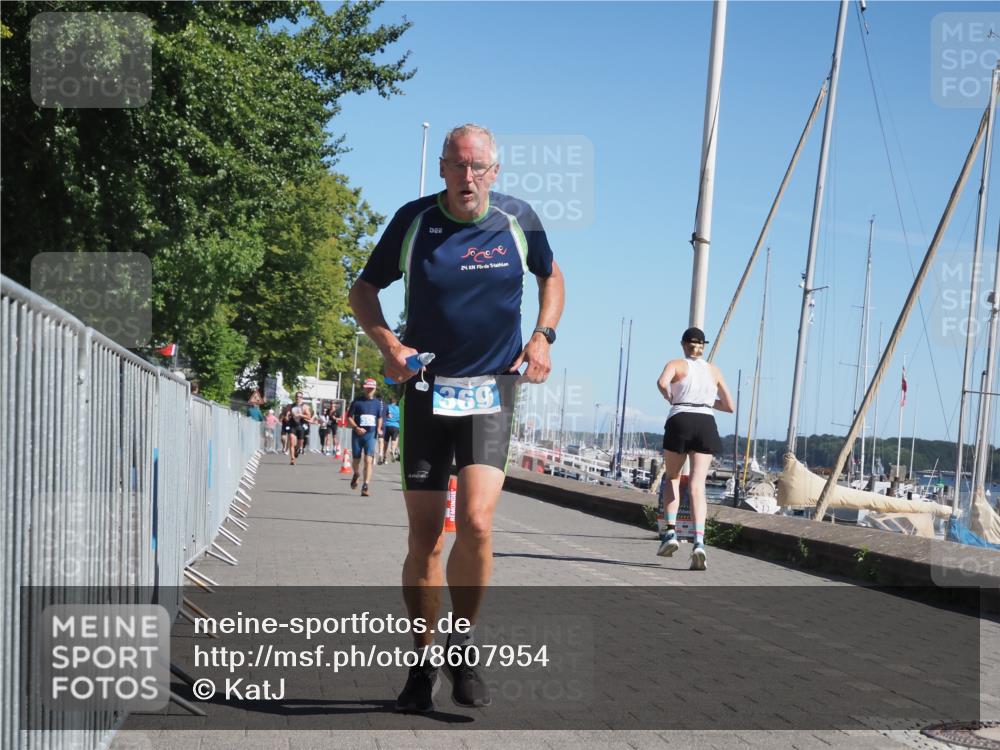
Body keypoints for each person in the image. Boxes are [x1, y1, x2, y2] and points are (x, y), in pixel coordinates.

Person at [349, 123, 564, 713]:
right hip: (424, 388)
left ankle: (462, 643)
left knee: (475, 521)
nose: (467, 177)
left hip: (491, 388)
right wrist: (389, 346)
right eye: (457, 165)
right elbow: (363, 289)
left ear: (495, 172)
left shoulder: (520, 219)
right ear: (442, 168)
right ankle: (422, 664)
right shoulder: (414, 220)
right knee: (424, 537)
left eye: (479, 167)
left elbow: (551, 275)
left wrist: (543, 336)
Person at [655, 327, 735, 571]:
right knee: (697, 486)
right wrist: (708, 402)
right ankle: (699, 542)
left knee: (673, 478)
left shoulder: (676, 364)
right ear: (702, 346)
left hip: (680, 418)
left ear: (683, 344)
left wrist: (670, 395)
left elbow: (661, 382)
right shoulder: (714, 370)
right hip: (705, 422)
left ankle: (671, 533)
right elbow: (729, 406)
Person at [347, 378, 383, 497]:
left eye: (371, 389)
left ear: (374, 389)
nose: (369, 390)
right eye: (367, 388)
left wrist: (378, 429)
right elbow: (349, 417)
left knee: (368, 460)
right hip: (357, 435)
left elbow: (379, 417)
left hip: (370, 435)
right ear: (364, 388)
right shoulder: (357, 402)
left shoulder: (378, 403)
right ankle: (356, 474)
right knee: (356, 460)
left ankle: (365, 486)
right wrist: (356, 427)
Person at [381, 397, 401, 463]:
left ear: (390, 402)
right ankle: (393, 450)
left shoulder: (387, 407)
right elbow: (400, 418)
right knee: (394, 439)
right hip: (396, 426)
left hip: (387, 425)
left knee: (385, 442)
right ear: (395, 402)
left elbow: (383, 415)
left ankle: (384, 456)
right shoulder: (398, 408)